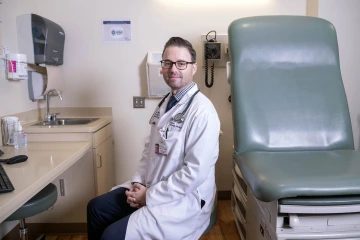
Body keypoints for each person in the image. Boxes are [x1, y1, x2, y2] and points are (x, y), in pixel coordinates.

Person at [87, 37, 220, 240]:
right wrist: (138, 183)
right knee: (96, 208)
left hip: (183, 202)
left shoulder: (203, 112)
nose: (173, 68)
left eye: (181, 63)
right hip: (152, 186)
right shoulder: (166, 103)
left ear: (194, 68)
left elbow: (194, 173)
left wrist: (148, 196)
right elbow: (150, 150)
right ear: (162, 67)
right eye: (167, 63)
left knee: (111, 236)